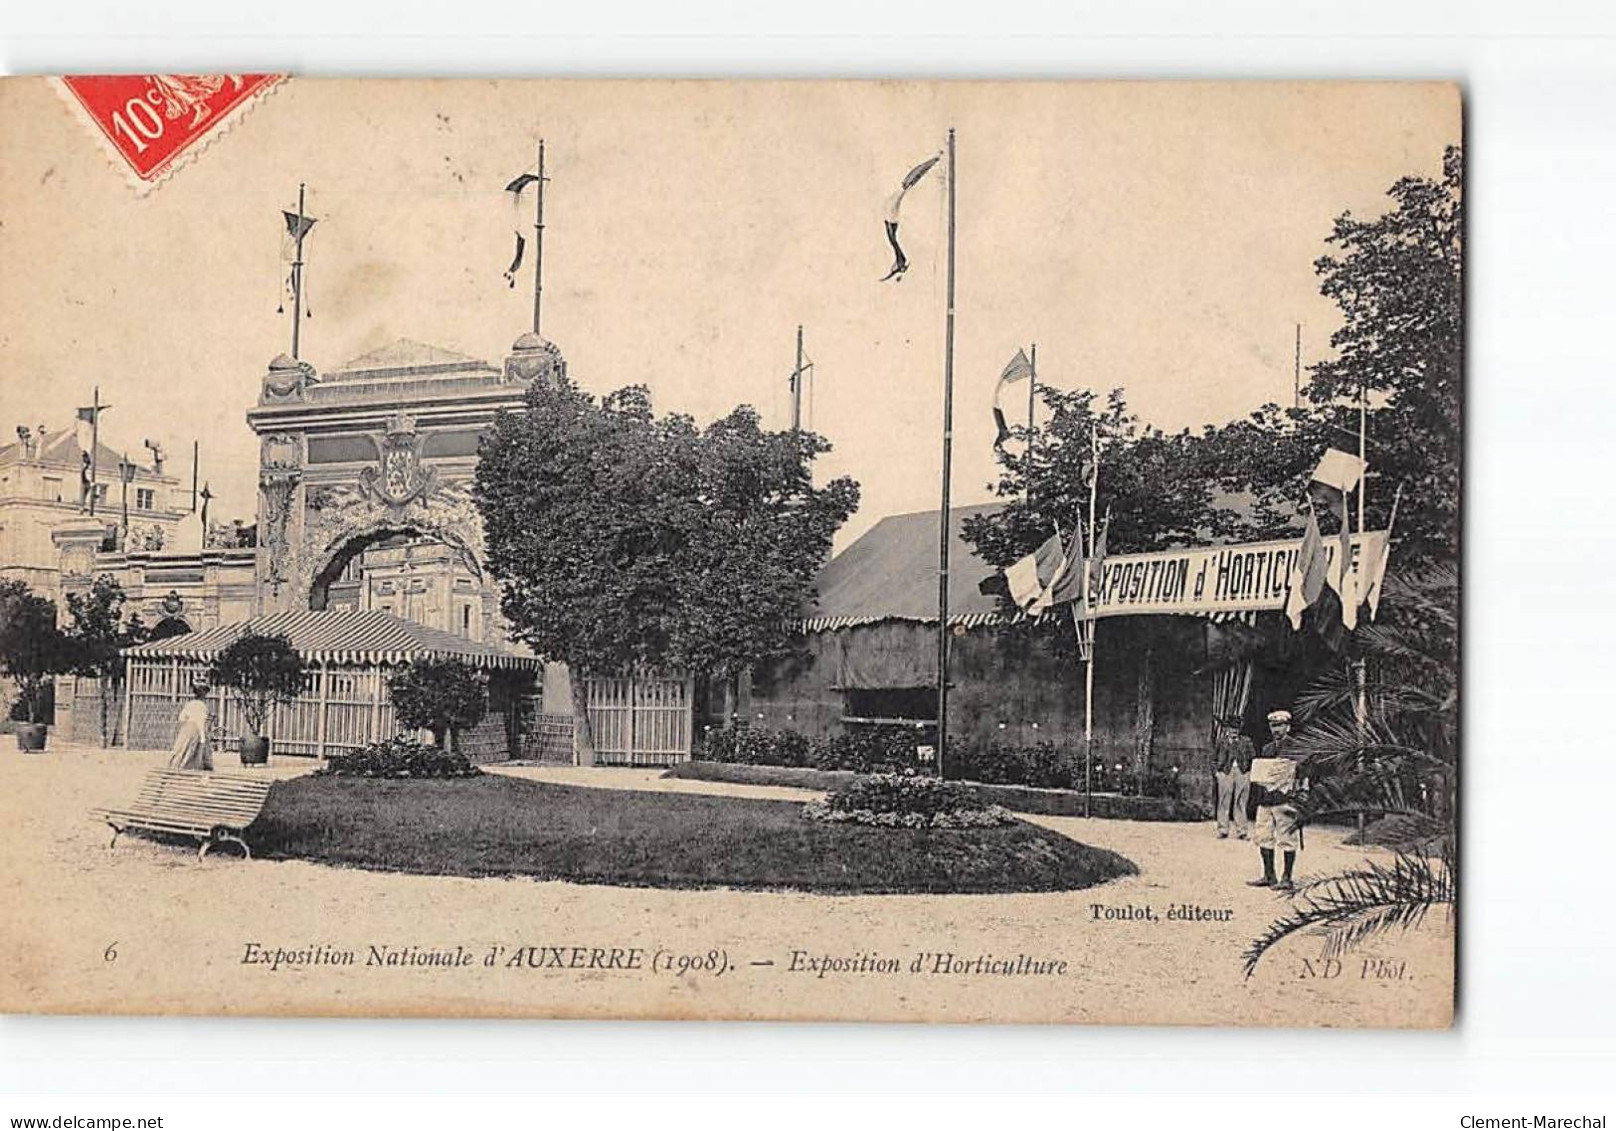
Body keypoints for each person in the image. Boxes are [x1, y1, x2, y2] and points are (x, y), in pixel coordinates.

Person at [1247, 708, 1307, 892]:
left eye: (1280, 725)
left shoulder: (1296, 747)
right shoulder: (1267, 748)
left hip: (1285, 799)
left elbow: (1303, 773)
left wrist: (1302, 792)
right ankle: (1269, 875)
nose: (1276, 729)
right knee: (1263, 836)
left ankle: (1287, 878)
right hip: (1266, 798)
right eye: (1273, 726)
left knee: (1287, 837)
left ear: (1288, 727)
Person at [1212, 724, 1253, 840]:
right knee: (1224, 801)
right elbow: (1214, 758)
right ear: (1227, 730)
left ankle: (1242, 831)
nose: (1234, 731)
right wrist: (1217, 773)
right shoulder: (1221, 741)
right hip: (1225, 772)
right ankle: (1223, 830)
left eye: (1236, 729)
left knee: (1241, 801)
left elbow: (1252, 757)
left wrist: (1249, 771)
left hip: (1242, 771)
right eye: (1231, 729)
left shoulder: (1246, 741)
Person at [167, 682, 214, 771]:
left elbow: (181, 718)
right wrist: (202, 737)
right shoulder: (202, 706)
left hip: (186, 729)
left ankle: (176, 765)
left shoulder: (189, 704)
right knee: (194, 748)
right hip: (196, 730)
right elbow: (201, 722)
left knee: (181, 748)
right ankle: (191, 766)